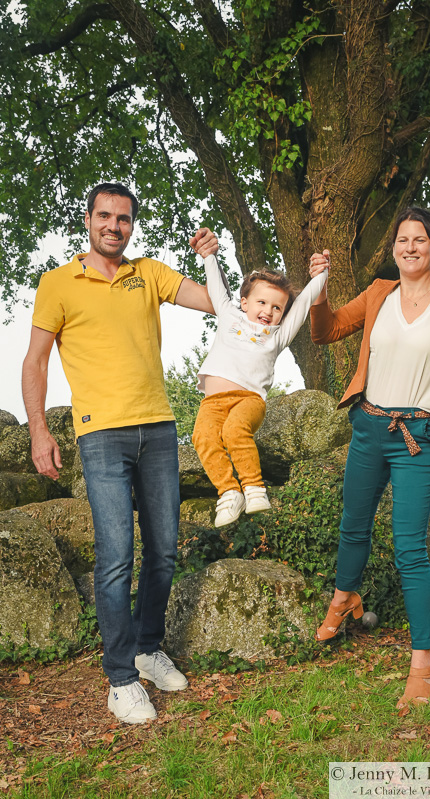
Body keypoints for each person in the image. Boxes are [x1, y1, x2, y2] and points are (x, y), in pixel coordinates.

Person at [22, 182, 218, 724]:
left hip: (158, 429)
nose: (114, 226)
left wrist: (212, 261)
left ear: (133, 225)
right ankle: (120, 678)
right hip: (100, 435)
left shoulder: (149, 273)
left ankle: (147, 648)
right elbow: (35, 361)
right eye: (105, 216)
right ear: (88, 220)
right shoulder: (58, 283)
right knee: (115, 559)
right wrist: (40, 431)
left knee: (164, 551)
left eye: (124, 219)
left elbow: (215, 303)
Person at [308, 207, 430, 709]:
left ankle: (424, 657)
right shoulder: (378, 293)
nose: (411, 247)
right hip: (368, 427)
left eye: (421, 239)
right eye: (403, 239)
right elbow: (326, 330)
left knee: (409, 548)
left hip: (419, 436)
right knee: (353, 525)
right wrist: (320, 291)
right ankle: (345, 596)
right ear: (394, 248)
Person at [190, 247, 328, 527]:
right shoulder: (229, 316)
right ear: (244, 303)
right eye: (262, 303)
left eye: (277, 308)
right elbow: (216, 287)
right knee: (202, 437)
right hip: (213, 402)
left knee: (234, 430)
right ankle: (229, 493)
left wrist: (322, 274)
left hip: (248, 400)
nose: (268, 311)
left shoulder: (277, 337)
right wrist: (208, 256)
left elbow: (302, 305)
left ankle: (253, 488)